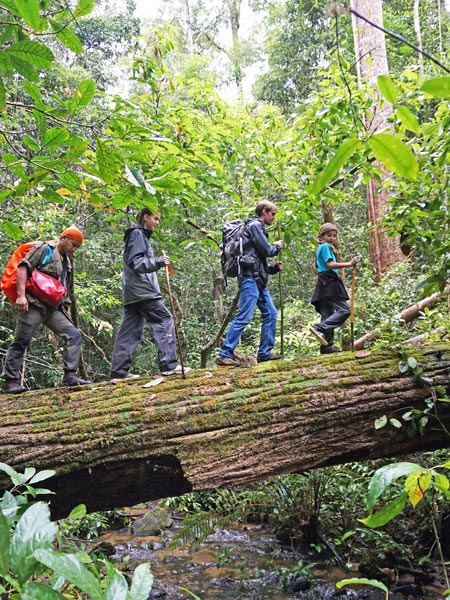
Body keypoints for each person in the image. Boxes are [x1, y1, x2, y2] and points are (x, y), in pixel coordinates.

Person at [2, 225, 92, 394]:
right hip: (33, 305)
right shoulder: (44, 249)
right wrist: (21, 296)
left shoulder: (67, 261)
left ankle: (70, 375)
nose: (74, 249)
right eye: (73, 244)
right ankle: (10, 380)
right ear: (64, 238)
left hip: (53, 309)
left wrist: (65, 305)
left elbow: (63, 285)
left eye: (77, 247)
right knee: (22, 340)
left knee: (73, 335)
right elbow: (23, 268)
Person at [110, 208, 190, 382]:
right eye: (155, 218)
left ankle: (119, 372)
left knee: (129, 331)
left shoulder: (138, 236)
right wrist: (159, 262)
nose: (157, 222)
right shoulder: (137, 234)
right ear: (145, 217)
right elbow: (137, 263)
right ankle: (169, 365)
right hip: (143, 290)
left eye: (159, 220)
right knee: (164, 319)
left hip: (133, 292)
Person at [216, 200, 284, 367]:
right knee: (245, 316)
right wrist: (277, 246)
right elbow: (267, 251)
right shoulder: (255, 226)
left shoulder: (254, 228)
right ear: (264, 212)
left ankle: (264, 353)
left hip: (257, 279)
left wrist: (273, 268)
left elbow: (256, 259)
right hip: (249, 278)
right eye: (272, 214)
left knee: (271, 313)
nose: (273, 218)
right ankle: (225, 354)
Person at [310, 222, 359, 354]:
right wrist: (350, 263)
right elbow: (330, 264)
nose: (332, 238)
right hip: (329, 282)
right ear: (321, 236)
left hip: (324, 283)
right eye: (328, 235)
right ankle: (319, 328)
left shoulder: (323, 248)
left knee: (328, 314)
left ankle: (326, 347)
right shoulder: (325, 247)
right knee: (345, 310)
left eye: (334, 236)